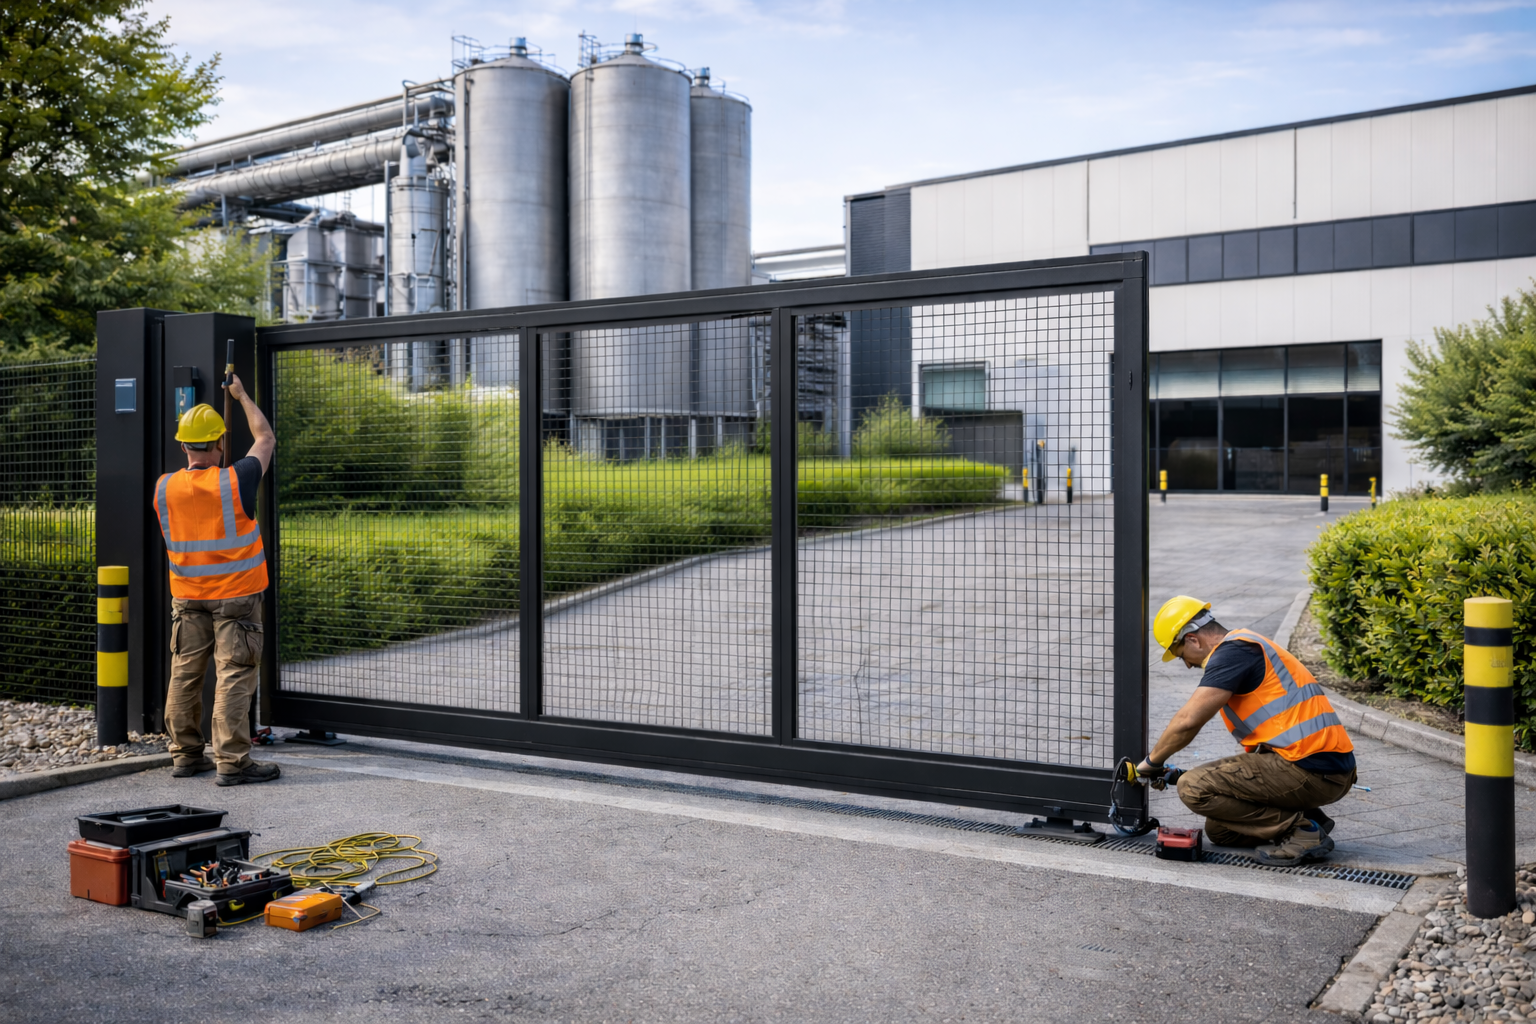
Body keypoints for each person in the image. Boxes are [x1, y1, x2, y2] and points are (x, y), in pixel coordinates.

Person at [1135, 595, 1357, 865]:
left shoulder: (1233, 653)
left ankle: (1303, 832)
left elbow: (1188, 721)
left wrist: (1151, 762)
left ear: (1193, 639)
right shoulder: (1247, 643)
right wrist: (1173, 773)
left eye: (1183, 656)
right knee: (1221, 830)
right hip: (1321, 765)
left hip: (1312, 769)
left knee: (1193, 788)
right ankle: (1310, 818)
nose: (1188, 665)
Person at [153, 375, 279, 786]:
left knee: (185, 673)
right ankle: (232, 762)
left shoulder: (164, 487)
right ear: (220, 443)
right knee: (234, 674)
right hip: (237, 598)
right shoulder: (236, 478)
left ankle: (186, 756)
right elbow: (265, 438)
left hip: (187, 596)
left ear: (183, 445)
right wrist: (241, 395)